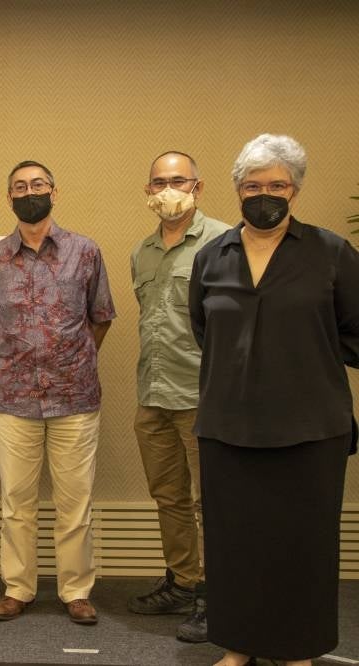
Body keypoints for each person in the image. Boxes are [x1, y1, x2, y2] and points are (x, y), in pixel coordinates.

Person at [189, 134, 359, 666]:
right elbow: (203, 330)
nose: (266, 194)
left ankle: (296, 650)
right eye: (253, 185)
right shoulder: (211, 256)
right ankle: (239, 645)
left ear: (296, 190)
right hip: (228, 426)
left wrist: (300, 355)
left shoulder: (331, 252)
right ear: (237, 190)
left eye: (278, 185)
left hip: (310, 429)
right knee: (236, 544)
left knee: (302, 547)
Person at [0, 161, 115, 625]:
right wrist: (20, 362)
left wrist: (69, 361)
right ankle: (18, 589)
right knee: (17, 502)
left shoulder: (85, 252)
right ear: (8, 197)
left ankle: (76, 591)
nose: (29, 191)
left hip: (74, 399)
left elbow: (101, 317)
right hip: (13, 401)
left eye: (37, 184)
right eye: (19, 186)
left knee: (75, 502)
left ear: (54, 191)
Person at [127, 151, 228, 642]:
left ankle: (217, 596)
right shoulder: (142, 251)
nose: (168, 190)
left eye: (178, 181)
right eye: (159, 182)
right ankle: (183, 582)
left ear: (197, 187)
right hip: (154, 392)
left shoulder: (225, 242)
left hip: (203, 394)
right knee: (168, 496)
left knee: (210, 499)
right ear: (148, 191)